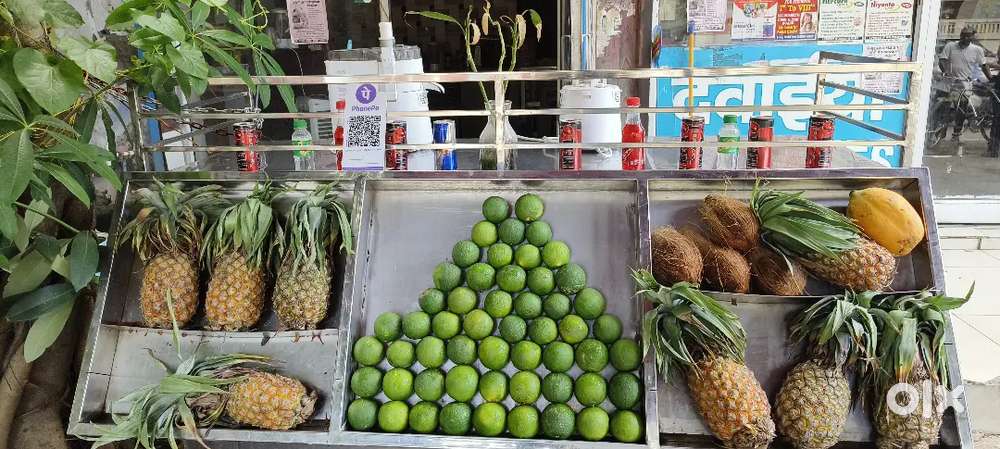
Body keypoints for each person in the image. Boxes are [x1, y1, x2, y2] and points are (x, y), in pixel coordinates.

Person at [939, 26, 991, 141]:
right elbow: (942, 60)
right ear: (960, 35)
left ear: (973, 37)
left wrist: (990, 79)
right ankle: (939, 131)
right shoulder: (950, 46)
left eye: (969, 35)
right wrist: (946, 72)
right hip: (948, 82)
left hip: (964, 83)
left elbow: (983, 65)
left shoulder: (977, 50)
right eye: (963, 35)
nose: (965, 37)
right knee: (942, 108)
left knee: (961, 109)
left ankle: (956, 133)